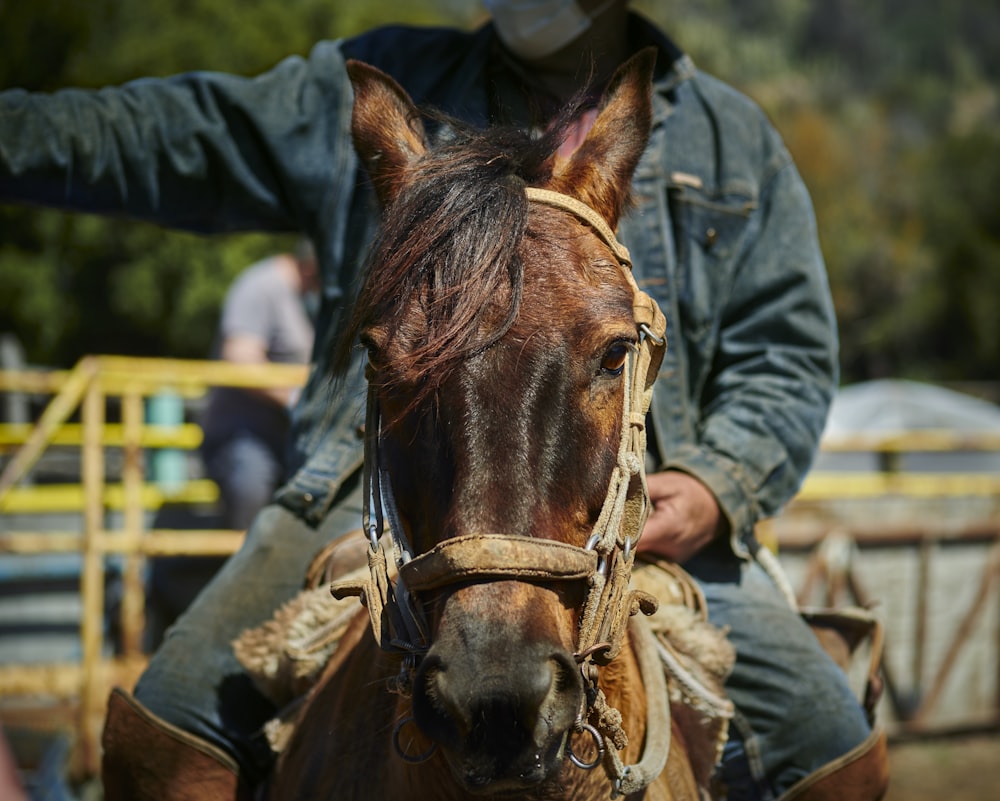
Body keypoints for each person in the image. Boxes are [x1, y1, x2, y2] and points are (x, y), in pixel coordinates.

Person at [0, 2, 889, 799]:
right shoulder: (374, 85)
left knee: (833, 753)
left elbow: (789, 359)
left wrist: (715, 483)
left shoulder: (734, 143)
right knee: (168, 733)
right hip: (372, 485)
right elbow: (158, 134)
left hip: (647, 502)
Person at [200, 240, 318, 531]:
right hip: (243, 435)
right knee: (251, 482)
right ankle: (246, 568)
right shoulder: (261, 286)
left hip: (290, 435)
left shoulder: (308, 297)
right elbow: (239, 358)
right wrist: (296, 397)